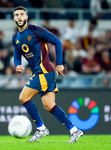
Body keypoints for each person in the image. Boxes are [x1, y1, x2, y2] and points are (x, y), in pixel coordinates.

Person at [12, 6, 83, 143]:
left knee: (23, 97)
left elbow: (57, 41)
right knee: (49, 105)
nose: (20, 17)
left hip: (43, 72)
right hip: (40, 73)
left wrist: (60, 63)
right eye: (17, 15)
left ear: (26, 17)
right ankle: (75, 130)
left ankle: (41, 128)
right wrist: (18, 65)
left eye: (22, 14)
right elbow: (16, 56)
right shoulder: (15, 37)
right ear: (14, 18)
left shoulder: (36, 30)